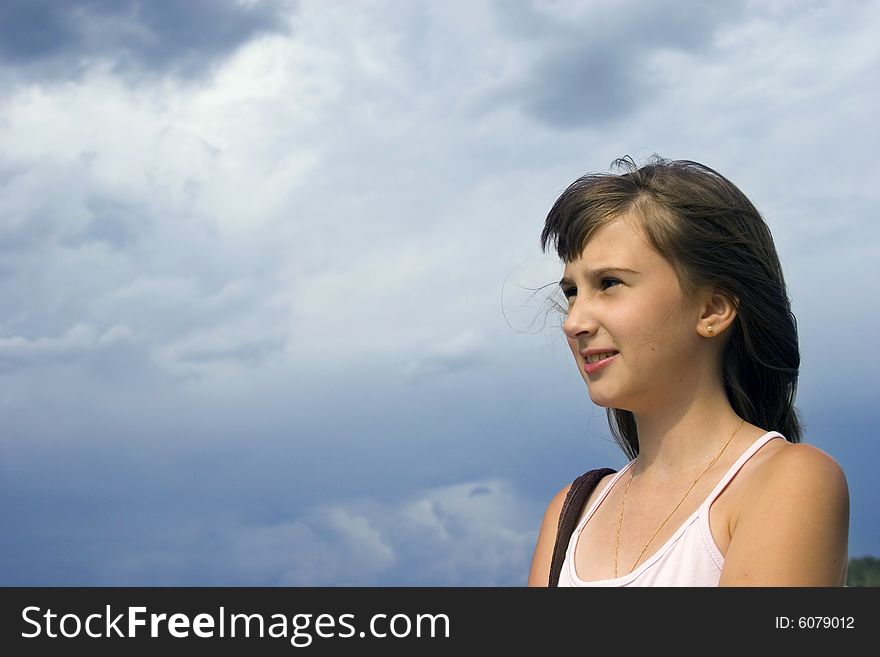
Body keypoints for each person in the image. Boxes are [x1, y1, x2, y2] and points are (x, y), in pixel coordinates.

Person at [527, 156, 850, 586]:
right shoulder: (571, 513)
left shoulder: (788, 482)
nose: (574, 321)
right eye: (571, 291)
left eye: (609, 283)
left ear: (713, 308)